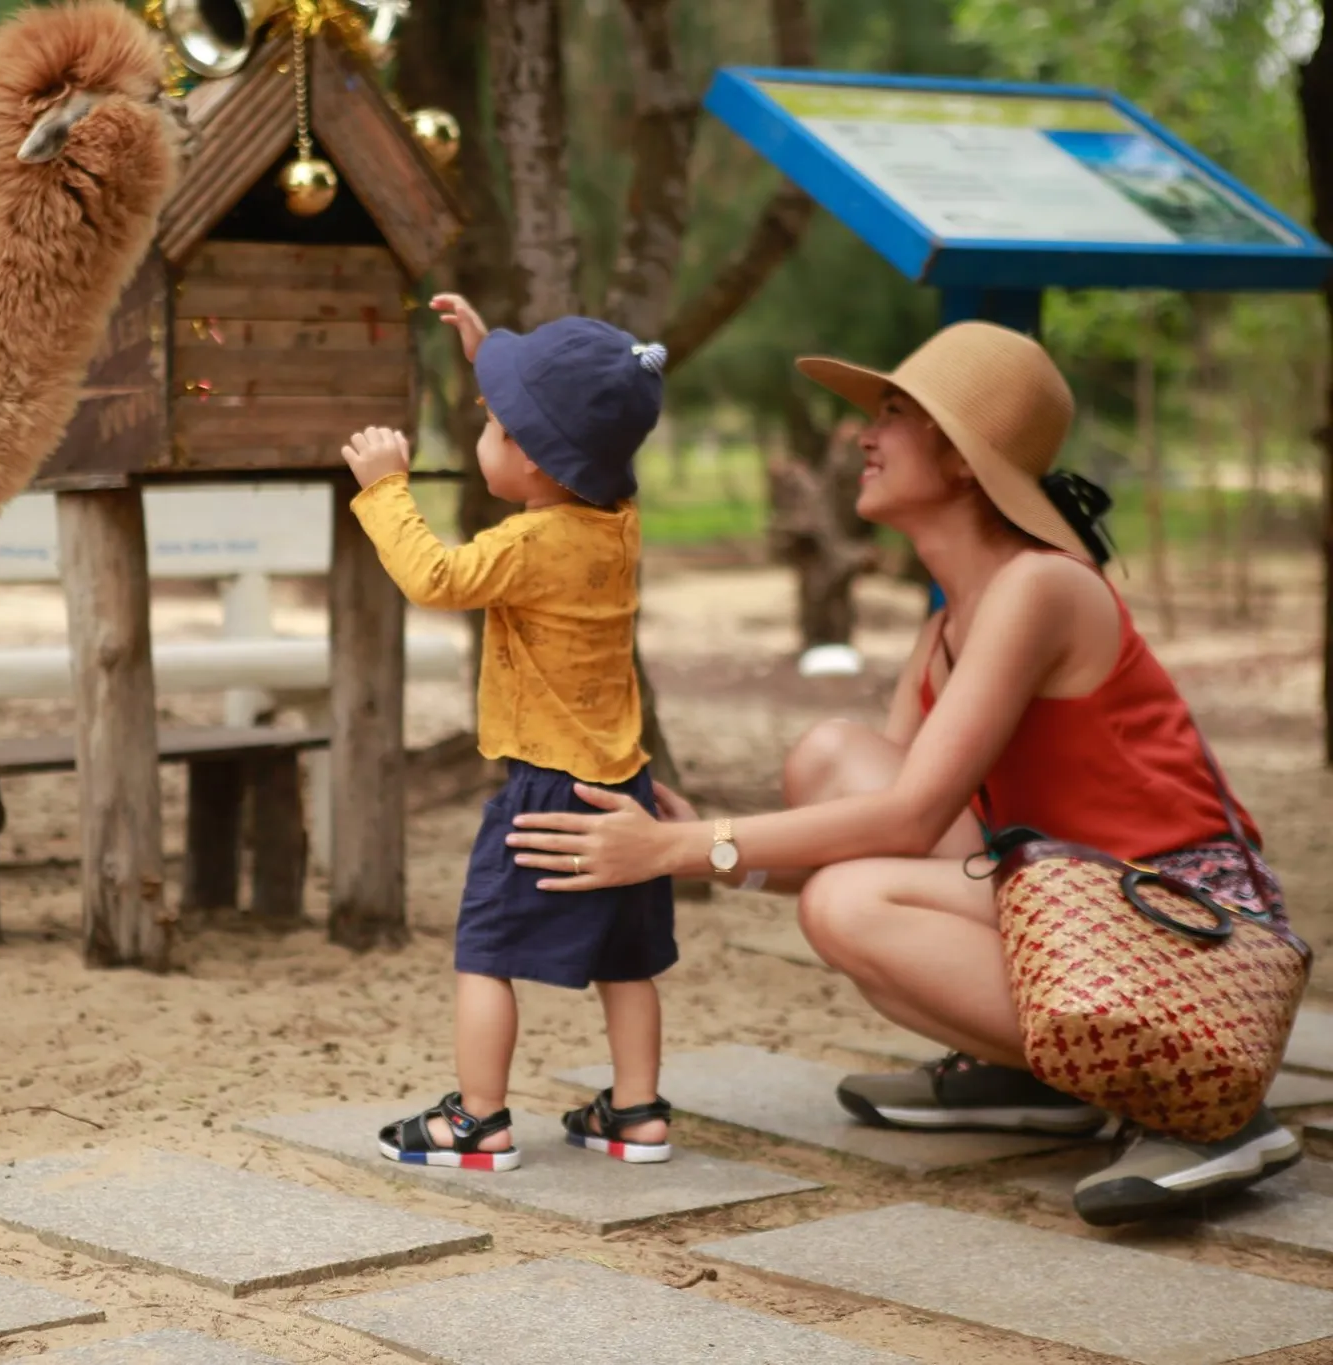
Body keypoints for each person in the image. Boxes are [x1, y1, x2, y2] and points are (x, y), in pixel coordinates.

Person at [502, 321, 1304, 1224]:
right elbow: (885, 825)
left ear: (962, 459)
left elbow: (910, 824)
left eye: (892, 414)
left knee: (848, 904)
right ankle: (1050, 1077)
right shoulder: (951, 623)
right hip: (1076, 907)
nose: (861, 436)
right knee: (830, 760)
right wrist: (695, 844)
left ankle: (1213, 1116)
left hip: (1191, 938)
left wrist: (680, 847)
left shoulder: (1041, 587)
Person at [339, 295, 675, 1172]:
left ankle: (478, 1121)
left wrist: (385, 491)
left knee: (484, 952)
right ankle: (636, 1111)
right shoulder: (617, 517)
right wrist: (490, 356)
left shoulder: (530, 543)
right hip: (623, 787)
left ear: (533, 458)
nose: (484, 431)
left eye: (494, 425)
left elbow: (436, 575)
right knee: (627, 959)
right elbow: (567, 427)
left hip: (546, 790)